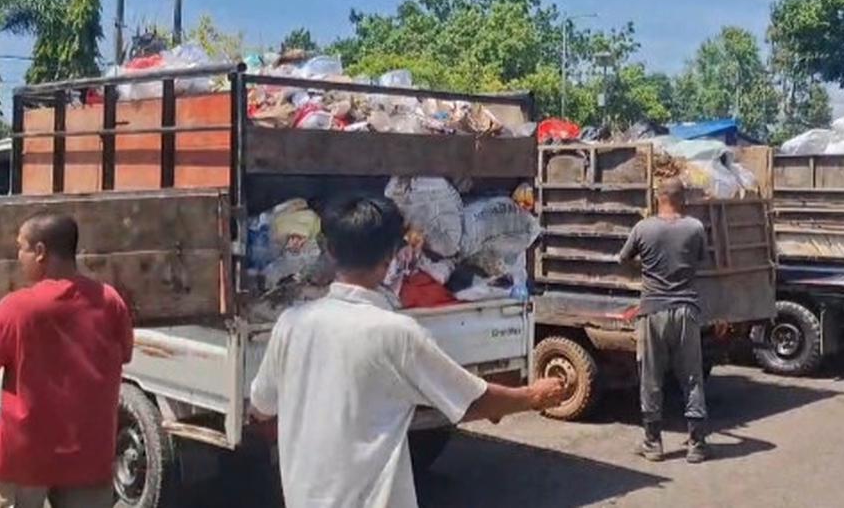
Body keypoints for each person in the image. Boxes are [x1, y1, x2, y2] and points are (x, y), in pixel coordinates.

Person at [249, 195, 566, 508]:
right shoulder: (396, 334)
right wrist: (534, 395)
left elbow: (261, 406)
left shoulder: (291, 323)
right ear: (391, 256)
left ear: (330, 251)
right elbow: (471, 400)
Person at [0, 213, 133, 508]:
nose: (18, 257)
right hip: (88, 457)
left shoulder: (17, 307)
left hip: (23, 459)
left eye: (21, 248)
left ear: (40, 252)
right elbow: (125, 354)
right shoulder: (110, 300)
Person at [619, 177, 709, 464]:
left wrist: (645, 266)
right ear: (683, 198)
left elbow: (623, 259)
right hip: (686, 310)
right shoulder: (695, 228)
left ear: (658, 198)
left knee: (651, 379)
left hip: (653, 311)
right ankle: (696, 444)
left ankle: (653, 443)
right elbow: (700, 260)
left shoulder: (643, 228)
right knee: (692, 378)